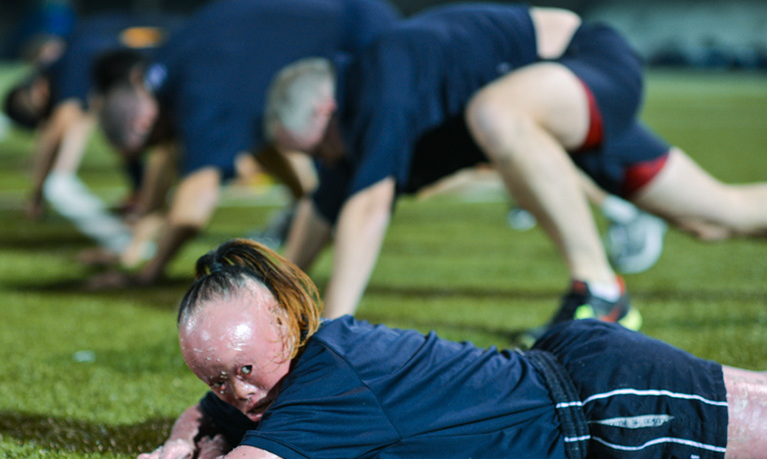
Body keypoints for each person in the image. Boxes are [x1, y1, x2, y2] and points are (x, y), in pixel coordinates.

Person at [125, 238, 767, 459]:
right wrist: (187, 432)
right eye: (217, 378)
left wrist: (207, 451)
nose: (239, 393)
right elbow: (210, 409)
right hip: (580, 364)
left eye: (246, 370)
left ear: (289, 327)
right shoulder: (307, 359)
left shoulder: (326, 387)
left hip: (600, 404)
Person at [264, 3, 767, 345]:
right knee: (719, 216)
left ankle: (600, 291)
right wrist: (274, 296)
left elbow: (368, 206)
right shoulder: (352, 126)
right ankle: (601, 285)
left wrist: (329, 332)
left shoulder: (378, 79)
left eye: (314, 150)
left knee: (496, 112)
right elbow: (324, 204)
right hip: (552, 107)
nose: (321, 162)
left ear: (326, 110)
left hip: (586, 64)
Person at [87, 0, 400, 288]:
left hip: (362, 34)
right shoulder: (168, 69)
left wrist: (148, 273)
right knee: (273, 143)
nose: (159, 147)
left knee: (362, 172)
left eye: (151, 143)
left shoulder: (200, 93)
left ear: (144, 124)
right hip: (345, 16)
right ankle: (307, 215)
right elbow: (180, 156)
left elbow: (194, 203)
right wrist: (135, 244)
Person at [3, 12, 182, 256]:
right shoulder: (72, 54)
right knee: (125, 131)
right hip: (166, 51)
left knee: (152, 141)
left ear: (38, 88)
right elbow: (66, 124)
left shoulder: (71, 62)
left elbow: (61, 122)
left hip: (173, 56)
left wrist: (38, 191)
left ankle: (149, 211)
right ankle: (142, 199)